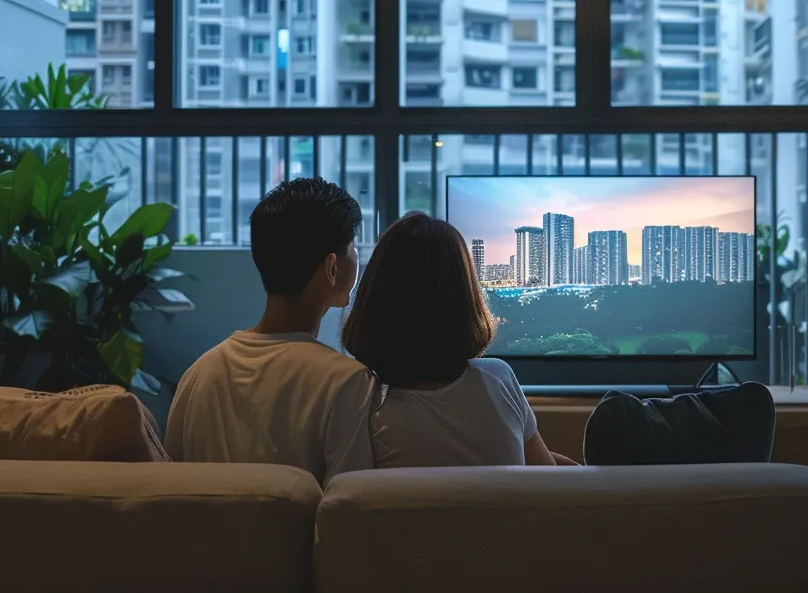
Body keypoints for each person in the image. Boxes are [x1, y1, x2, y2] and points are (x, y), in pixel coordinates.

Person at [165, 178, 377, 484]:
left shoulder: (199, 373)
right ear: (332, 268)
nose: (357, 256)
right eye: (352, 246)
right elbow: (350, 510)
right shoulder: (347, 382)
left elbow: (171, 490)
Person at [341, 212, 566, 468]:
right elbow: (548, 480)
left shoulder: (363, 406)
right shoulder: (497, 380)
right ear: (465, 299)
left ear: (374, 302)